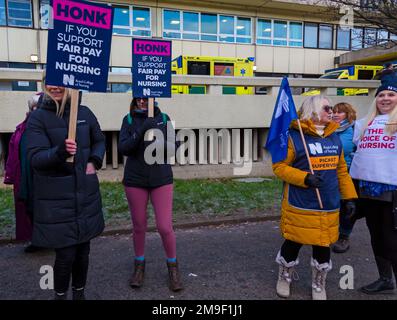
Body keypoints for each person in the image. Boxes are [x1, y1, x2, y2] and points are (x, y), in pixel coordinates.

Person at [272, 95, 357, 300]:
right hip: (301, 204)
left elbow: (341, 171)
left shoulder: (333, 136)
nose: (332, 112)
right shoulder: (294, 136)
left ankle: (319, 283)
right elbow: (279, 167)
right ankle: (285, 275)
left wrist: (349, 197)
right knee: (293, 242)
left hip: (327, 203)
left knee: (323, 244)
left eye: (333, 108)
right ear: (313, 110)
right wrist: (305, 178)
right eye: (327, 108)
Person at [25, 83, 105, 300]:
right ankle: (60, 295)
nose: (55, 87)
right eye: (50, 82)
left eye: (60, 82)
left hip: (85, 195)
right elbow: (36, 159)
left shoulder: (85, 113)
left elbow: (99, 140)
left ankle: (79, 294)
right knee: (66, 254)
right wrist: (60, 152)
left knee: (83, 253)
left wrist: (94, 161)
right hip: (57, 200)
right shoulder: (38, 118)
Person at [118, 97, 183, 292]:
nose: (143, 100)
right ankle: (139, 266)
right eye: (139, 97)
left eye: (147, 97)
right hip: (135, 180)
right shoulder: (128, 120)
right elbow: (124, 148)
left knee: (164, 227)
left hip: (161, 179)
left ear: (154, 98)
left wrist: (173, 143)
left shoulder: (164, 118)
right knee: (139, 225)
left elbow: (172, 148)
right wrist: (143, 128)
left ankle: (173, 268)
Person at [350, 82, 397, 295]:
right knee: (376, 235)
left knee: (391, 239)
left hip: (392, 191)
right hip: (367, 189)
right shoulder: (363, 124)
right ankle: (385, 278)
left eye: (391, 94)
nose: (385, 98)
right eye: (381, 95)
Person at [4, 93, 42, 252]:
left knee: (43, 207)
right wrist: (11, 175)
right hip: (24, 175)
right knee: (28, 207)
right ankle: (36, 240)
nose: (35, 110)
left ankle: (46, 239)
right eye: (33, 107)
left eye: (38, 107)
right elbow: (13, 152)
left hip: (41, 175)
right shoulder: (21, 128)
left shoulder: (48, 126)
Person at [331, 102, 357, 253]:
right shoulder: (328, 128)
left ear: (348, 115)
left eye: (340, 112)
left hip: (346, 171)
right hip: (329, 171)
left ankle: (344, 237)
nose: (335, 114)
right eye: (334, 111)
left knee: (347, 206)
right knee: (333, 204)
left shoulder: (352, 129)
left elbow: (346, 149)